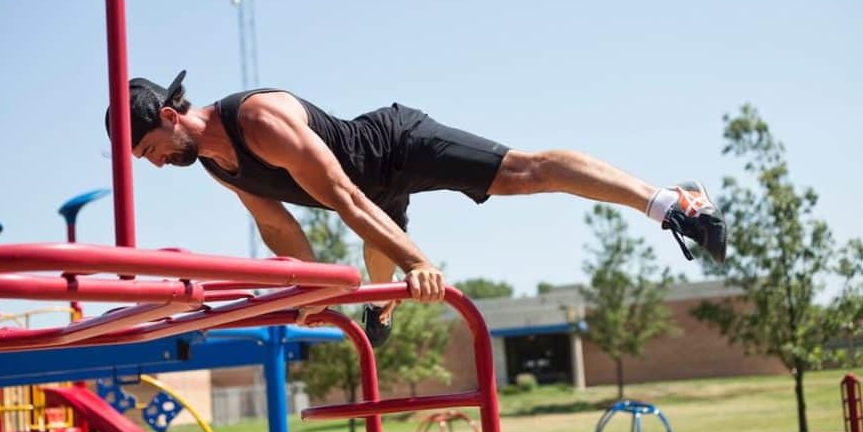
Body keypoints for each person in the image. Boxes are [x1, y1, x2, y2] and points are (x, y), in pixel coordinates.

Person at [105, 71, 726, 347]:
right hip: (369, 201)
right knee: (374, 259)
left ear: (169, 117)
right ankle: (378, 312)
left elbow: (343, 197)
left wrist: (417, 263)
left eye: (151, 149)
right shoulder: (214, 164)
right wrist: (314, 291)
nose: (155, 163)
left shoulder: (257, 119)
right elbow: (276, 224)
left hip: (395, 148)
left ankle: (672, 203)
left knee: (523, 174)